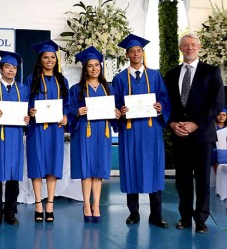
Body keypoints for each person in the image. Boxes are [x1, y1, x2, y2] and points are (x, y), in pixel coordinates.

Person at [165, 33, 225, 233]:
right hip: (179, 134)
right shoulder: (172, 73)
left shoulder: (212, 71)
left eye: (193, 45)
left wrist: (196, 124)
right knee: (182, 179)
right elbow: (168, 104)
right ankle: (184, 217)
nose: (189, 48)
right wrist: (172, 123)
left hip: (202, 135)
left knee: (202, 179)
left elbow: (217, 103)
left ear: (199, 47)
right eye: (185, 45)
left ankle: (201, 219)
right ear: (180, 48)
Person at [112, 34, 171, 228]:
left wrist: (161, 106)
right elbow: (116, 103)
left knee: (153, 169)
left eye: (139, 51)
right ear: (127, 54)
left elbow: (163, 98)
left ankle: (156, 214)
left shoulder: (155, 75)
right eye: (132, 51)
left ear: (142, 53)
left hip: (151, 130)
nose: (136, 54)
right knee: (131, 168)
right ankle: (134, 213)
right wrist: (120, 110)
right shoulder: (119, 78)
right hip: (130, 131)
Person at [69, 46, 121, 223]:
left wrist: (117, 114)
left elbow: (116, 109)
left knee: (98, 170)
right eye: (90, 66)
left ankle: (96, 205)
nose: (94, 68)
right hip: (85, 131)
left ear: (101, 67)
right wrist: (77, 111)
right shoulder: (77, 89)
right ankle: (86, 204)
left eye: (97, 65)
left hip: (103, 132)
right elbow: (69, 109)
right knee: (86, 169)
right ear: (85, 69)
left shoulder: (109, 88)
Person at [0, 50, 30, 226]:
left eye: (14, 68)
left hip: (15, 137)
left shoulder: (23, 89)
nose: (11, 70)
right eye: (7, 67)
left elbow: (28, 112)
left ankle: (10, 213)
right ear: (1, 69)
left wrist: (27, 118)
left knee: (12, 176)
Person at [26, 40, 69, 223]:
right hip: (37, 129)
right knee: (37, 167)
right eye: (46, 57)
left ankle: (50, 204)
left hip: (55, 130)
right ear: (40, 59)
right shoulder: (31, 79)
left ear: (56, 59)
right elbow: (25, 101)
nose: (49, 60)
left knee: (52, 166)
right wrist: (30, 110)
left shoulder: (62, 80)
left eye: (52, 57)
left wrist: (66, 116)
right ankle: (37, 203)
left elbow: (67, 104)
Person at [212, 107, 227, 173]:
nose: (221, 117)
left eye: (224, 115)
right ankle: (217, 176)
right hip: (214, 148)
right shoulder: (212, 126)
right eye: (219, 115)